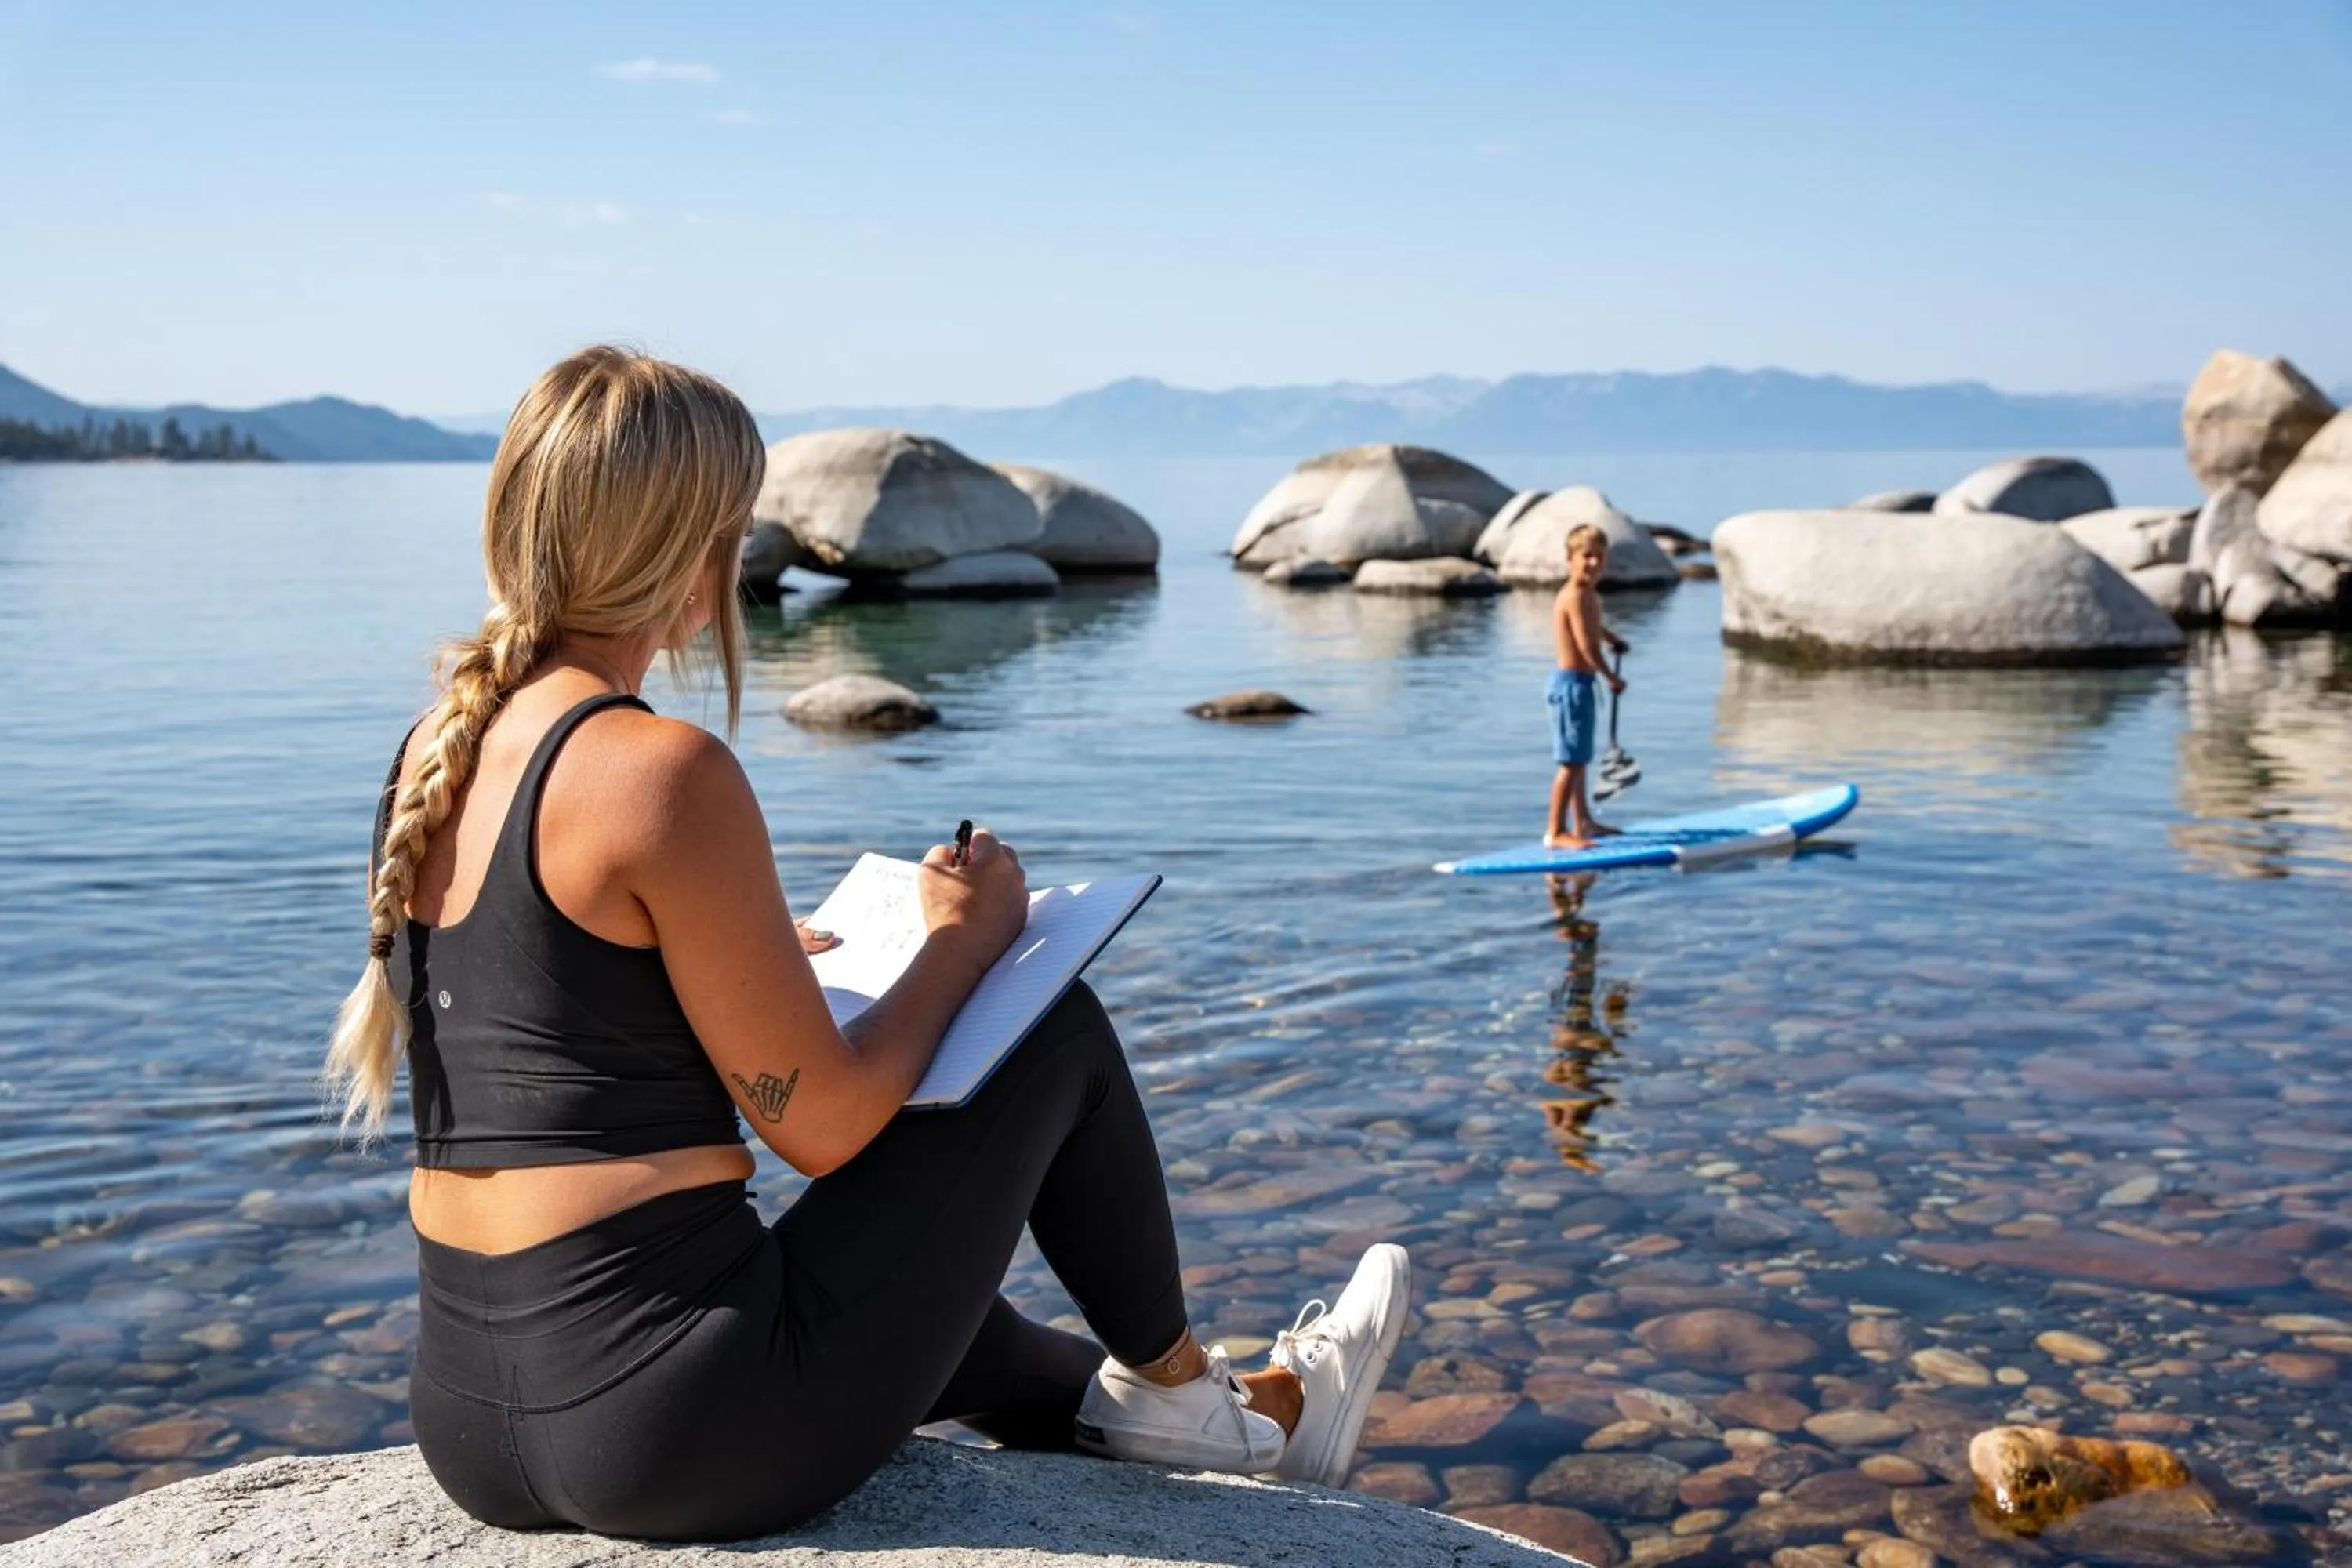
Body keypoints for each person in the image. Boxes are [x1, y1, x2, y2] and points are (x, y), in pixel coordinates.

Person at [323, 346, 1410, 1542]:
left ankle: (1236, 1418)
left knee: (956, 1330)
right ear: (688, 545)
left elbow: (548, 1021)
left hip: (475, 1423)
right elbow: (822, 1126)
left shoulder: (441, 748)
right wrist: (963, 941)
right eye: (733, 529)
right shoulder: (658, 771)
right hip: (666, 1424)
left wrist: (713, 958)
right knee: (1055, 1029)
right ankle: (1182, 1381)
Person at [1544, 523, 1630, 849]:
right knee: (1570, 762)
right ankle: (1555, 831)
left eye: (1599, 557)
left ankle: (1582, 822)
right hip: (1570, 686)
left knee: (1581, 757)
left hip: (1581, 684)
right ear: (1571, 558)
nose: (1593, 563)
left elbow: (1594, 628)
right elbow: (1585, 646)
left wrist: (1612, 638)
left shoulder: (1588, 595)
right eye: (1586, 556)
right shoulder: (1574, 595)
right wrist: (1612, 678)